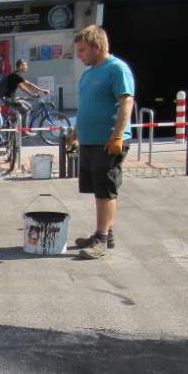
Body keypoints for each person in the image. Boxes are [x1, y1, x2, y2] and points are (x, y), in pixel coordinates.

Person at [70, 25, 135, 259]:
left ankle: (101, 238)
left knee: (106, 191)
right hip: (90, 141)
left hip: (108, 142)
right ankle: (107, 232)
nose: (79, 55)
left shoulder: (116, 69)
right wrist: (76, 133)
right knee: (98, 189)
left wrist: (117, 136)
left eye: (82, 50)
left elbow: (126, 101)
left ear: (97, 47)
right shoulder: (88, 74)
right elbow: (85, 107)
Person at [0, 59, 47, 133]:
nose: (27, 67)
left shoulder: (15, 75)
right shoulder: (16, 76)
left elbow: (22, 87)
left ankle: (14, 124)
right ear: (20, 66)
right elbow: (29, 85)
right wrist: (42, 90)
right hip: (10, 99)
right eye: (25, 65)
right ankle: (24, 131)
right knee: (26, 110)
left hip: (9, 98)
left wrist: (32, 95)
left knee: (29, 106)